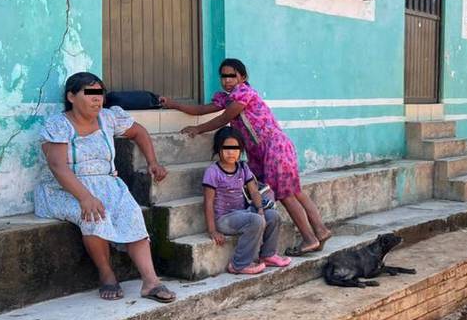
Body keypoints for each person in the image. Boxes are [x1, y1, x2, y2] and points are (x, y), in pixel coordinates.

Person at [160, 58, 331, 256]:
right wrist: (172, 104)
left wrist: (198, 129)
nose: (227, 80)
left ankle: (309, 238)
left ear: (242, 77)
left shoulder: (244, 93)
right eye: (223, 76)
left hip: (274, 148)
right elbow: (201, 110)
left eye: (232, 76)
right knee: (295, 192)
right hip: (261, 152)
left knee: (286, 195)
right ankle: (321, 231)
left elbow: (224, 118)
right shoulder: (227, 98)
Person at [34, 72, 176, 303]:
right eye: (89, 93)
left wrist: (152, 162)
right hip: (64, 188)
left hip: (108, 184)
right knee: (95, 216)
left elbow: (139, 132)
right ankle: (106, 273)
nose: (97, 99)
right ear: (71, 96)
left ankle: (151, 282)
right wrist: (85, 197)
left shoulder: (108, 118)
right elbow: (57, 166)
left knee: (132, 213)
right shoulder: (59, 124)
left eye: (99, 93)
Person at [203, 127, 291, 274]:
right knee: (255, 221)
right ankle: (238, 264)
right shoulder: (213, 172)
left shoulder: (243, 168)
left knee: (273, 216)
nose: (231, 153)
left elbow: (254, 191)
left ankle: (267, 255)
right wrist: (212, 230)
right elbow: (208, 202)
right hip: (225, 219)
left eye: (235, 148)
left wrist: (260, 210)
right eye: (227, 148)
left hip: (242, 213)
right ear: (218, 149)